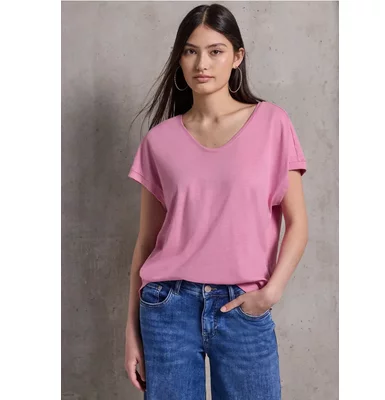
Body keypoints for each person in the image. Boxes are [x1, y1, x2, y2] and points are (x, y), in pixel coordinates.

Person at [125, 4, 308, 400]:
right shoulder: (159, 141)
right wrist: (131, 332)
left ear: (237, 57)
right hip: (167, 307)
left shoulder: (272, 123)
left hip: (241, 305)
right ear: (179, 59)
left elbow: (297, 224)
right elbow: (146, 242)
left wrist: (270, 293)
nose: (202, 63)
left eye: (215, 51)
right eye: (190, 51)